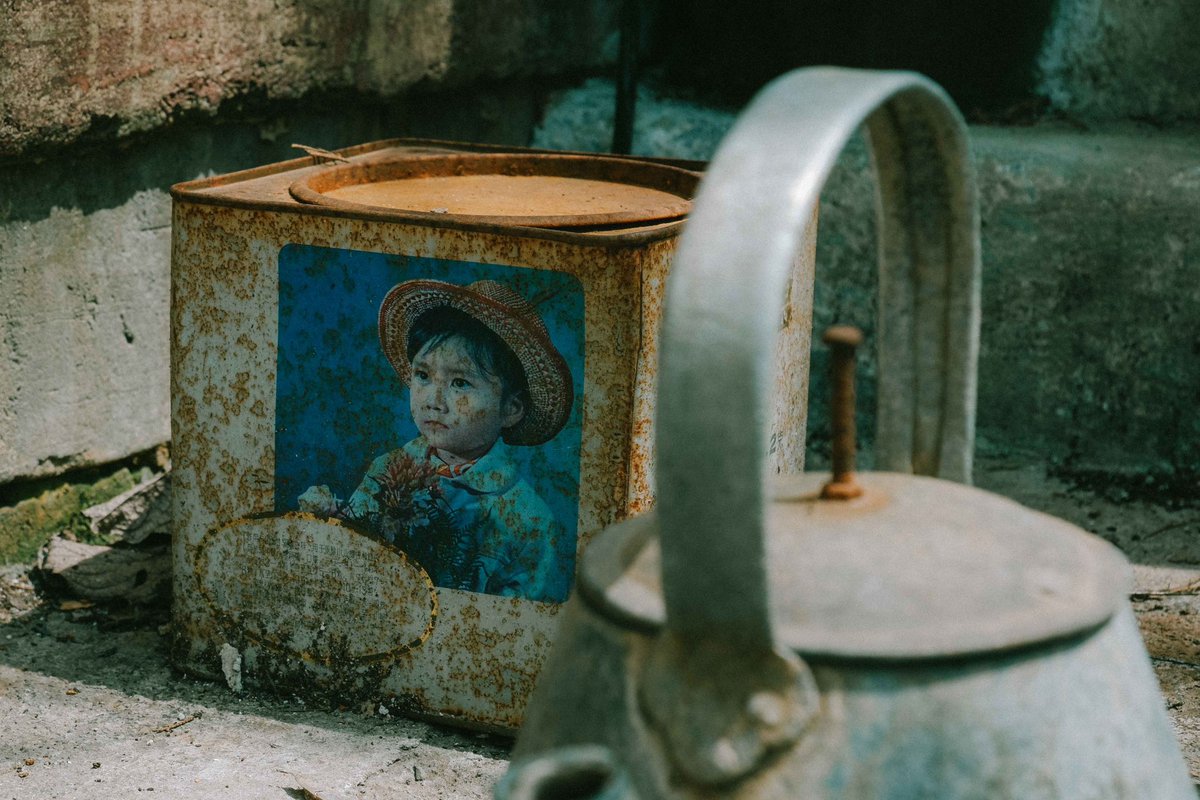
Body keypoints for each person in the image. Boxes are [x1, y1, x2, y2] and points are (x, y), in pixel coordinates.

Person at [299, 279, 575, 603]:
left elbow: (521, 628)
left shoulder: (529, 520)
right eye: (423, 376)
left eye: (460, 383)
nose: (434, 400)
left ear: (511, 409)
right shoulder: (388, 469)